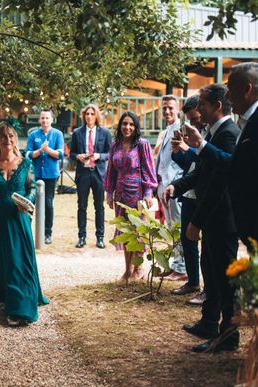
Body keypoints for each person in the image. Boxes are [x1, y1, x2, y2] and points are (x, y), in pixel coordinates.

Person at [163, 85, 240, 353]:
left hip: (222, 218)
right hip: (211, 217)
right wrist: (178, 186)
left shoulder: (229, 134)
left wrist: (197, 220)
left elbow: (220, 181)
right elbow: (200, 172)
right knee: (211, 270)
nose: (199, 109)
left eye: (204, 104)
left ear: (217, 105)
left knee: (224, 278)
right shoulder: (211, 133)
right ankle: (208, 322)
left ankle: (228, 335)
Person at [182, 62, 258, 249]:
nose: (228, 96)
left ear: (247, 89)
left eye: (230, 89)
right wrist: (200, 145)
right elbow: (236, 165)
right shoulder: (253, 120)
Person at [0, 122, 49, 326]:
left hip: (17, 217)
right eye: (3, 136)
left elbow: (31, 188)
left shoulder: (25, 163)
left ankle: (19, 308)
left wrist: (27, 201)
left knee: (18, 261)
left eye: (11, 136)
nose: (8, 140)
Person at [104, 111, 157, 282]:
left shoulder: (142, 144)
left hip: (138, 195)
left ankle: (139, 268)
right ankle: (127, 270)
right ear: (120, 126)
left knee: (138, 232)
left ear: (136, 127)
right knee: (125, 232)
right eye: (125, 124)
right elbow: (111, 171)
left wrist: (149, 192)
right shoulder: (115, 145)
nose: (127, 127)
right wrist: (108, 193)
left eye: (131, 124)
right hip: (120, 194)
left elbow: (149, 170)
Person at [168, 96, 204, 298]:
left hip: (204, 194)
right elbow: (190, 166)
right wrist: (177, 152)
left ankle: (209, 289)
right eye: (190, 119)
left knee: (207, 244)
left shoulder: (208, 132)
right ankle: (192, 282)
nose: (193, 123)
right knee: (186, 238)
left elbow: (205, 161)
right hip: (189, 193)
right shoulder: (196, 131)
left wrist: (188, 148)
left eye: (195, 118)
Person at [69, 104, 112, 248]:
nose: (89, 116)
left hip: (98, 174)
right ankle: (82, 237)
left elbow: (110, 154)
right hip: (83, 174)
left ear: (96, 116)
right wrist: (78, 157)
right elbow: (72, 153)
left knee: (99, 207)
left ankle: (100, 237)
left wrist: (100, 156)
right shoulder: (77, 132)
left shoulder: (105, 132)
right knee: (82, 206)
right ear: (83, 116)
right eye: (87, 114)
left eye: (92, 114)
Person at [156, 95, 186, 281]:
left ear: (178, 109)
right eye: (164, 108)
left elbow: (182, 161)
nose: (167, 111)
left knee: (178, 225)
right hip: (163, 184)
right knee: (170, 226)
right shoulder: (167, 130)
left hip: (174, 185)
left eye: (170, 108)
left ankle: (182, 269)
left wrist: (173, 184)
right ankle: (176, 265)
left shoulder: (180, 130)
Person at [25, 109, 64, 244]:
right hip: (34, 174)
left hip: (51, 175)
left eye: (47, 118)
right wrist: (40, 150)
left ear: (51, 120)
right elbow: (28, 154)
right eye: (42, 118)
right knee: (30, 203)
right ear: (39, 120)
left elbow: (60, 154)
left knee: (48, 204)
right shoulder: (33, 135)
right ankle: (27, 231)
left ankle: (47, 233)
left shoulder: (57, 134)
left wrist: (47, 149)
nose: (45, 120)